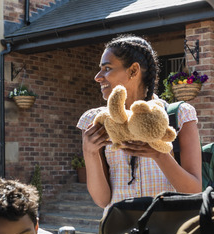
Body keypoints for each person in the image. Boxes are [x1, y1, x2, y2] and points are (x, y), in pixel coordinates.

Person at [77, 34, 203, 212]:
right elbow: (102, 200)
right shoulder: (95, 121)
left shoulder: (178, 115)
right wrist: (90, 152)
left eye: (107, 68)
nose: (98, 77)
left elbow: (194, 191)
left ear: (133, 71)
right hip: (119, 231)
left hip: (168, 231)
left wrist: (159, 154)